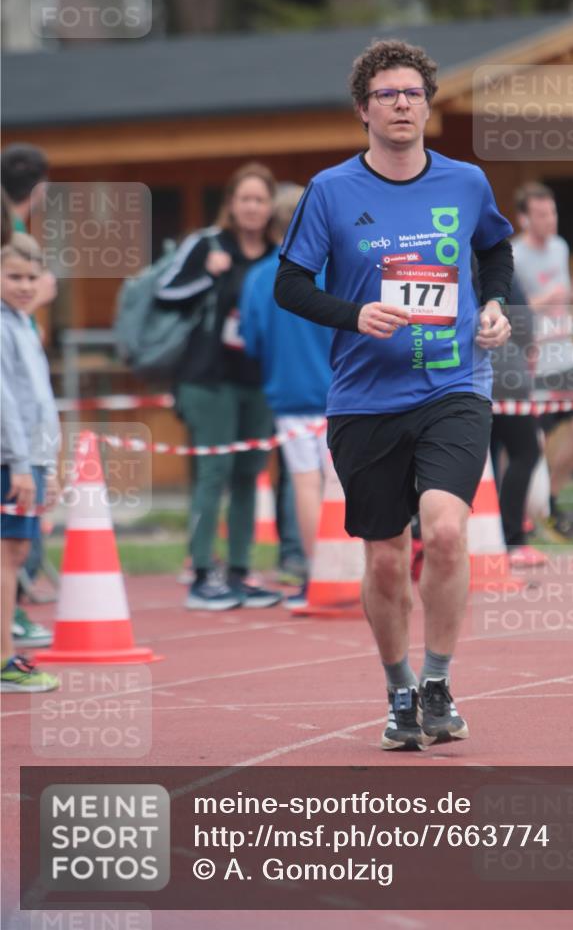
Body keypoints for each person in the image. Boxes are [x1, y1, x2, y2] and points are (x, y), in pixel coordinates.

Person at [275, 39, 513, 750]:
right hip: (363, 399)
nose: (402, 103)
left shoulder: (466, 182)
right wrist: (354, 315)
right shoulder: (330, 190)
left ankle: (438, 681)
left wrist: (495, 305)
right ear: (363, 110)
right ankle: (398, 689)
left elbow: (493, 249)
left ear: (427, 106)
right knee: (383, 553)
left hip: (451, 385)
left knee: (443, 529)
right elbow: (289, 285)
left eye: (413, 93)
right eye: (388, 94)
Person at [156, 162, 282, 611]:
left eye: (260, 200)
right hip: (207, 379)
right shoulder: (207, 244)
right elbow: (163, 292)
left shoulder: (277, 255)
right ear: (231, 203)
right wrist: (207, 274)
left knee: (250, 474)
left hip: (258, 380)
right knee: (214, 472)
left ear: (270, 207)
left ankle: (240, 571)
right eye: (244, 198)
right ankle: (202, 571)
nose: (252, 207)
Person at [240, 184, 332, 609]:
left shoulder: (259, 278)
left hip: (290, 392)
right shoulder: (336, 269)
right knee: (346, 483)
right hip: (342, 389)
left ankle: (320, 572)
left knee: (306, 484)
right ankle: (356, 566)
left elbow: (252, 340)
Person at [511, 182, 573, 543]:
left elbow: (563, 298)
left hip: (565, 353)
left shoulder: (560, 247)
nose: (551, 220)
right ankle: (523, 515)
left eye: (554, 212)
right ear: (524, 219)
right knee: (533, 445)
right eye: (543, 214)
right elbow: (513, 309)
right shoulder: (512, 254)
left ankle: (551, 499)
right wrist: (546, 298)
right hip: (534, 360)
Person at [1, 234, 60, 692]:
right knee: (8, 556)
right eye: (13, 276)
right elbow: (5, 403)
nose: (24, 285)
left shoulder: (25, 322)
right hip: (12, 460)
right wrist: (21, 464)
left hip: (32, 459)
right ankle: (4, 658)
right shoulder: (3, 327)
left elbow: (42, 399)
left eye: (31, 277)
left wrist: (50, 465)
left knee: (16, 555)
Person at [488, 275, 545, 567]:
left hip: (462, 376)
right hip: (506, 372)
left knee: (484, 459)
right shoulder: (500, 266)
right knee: (526, 451)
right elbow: (524, 323)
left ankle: (484, 538)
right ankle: (512, 539)